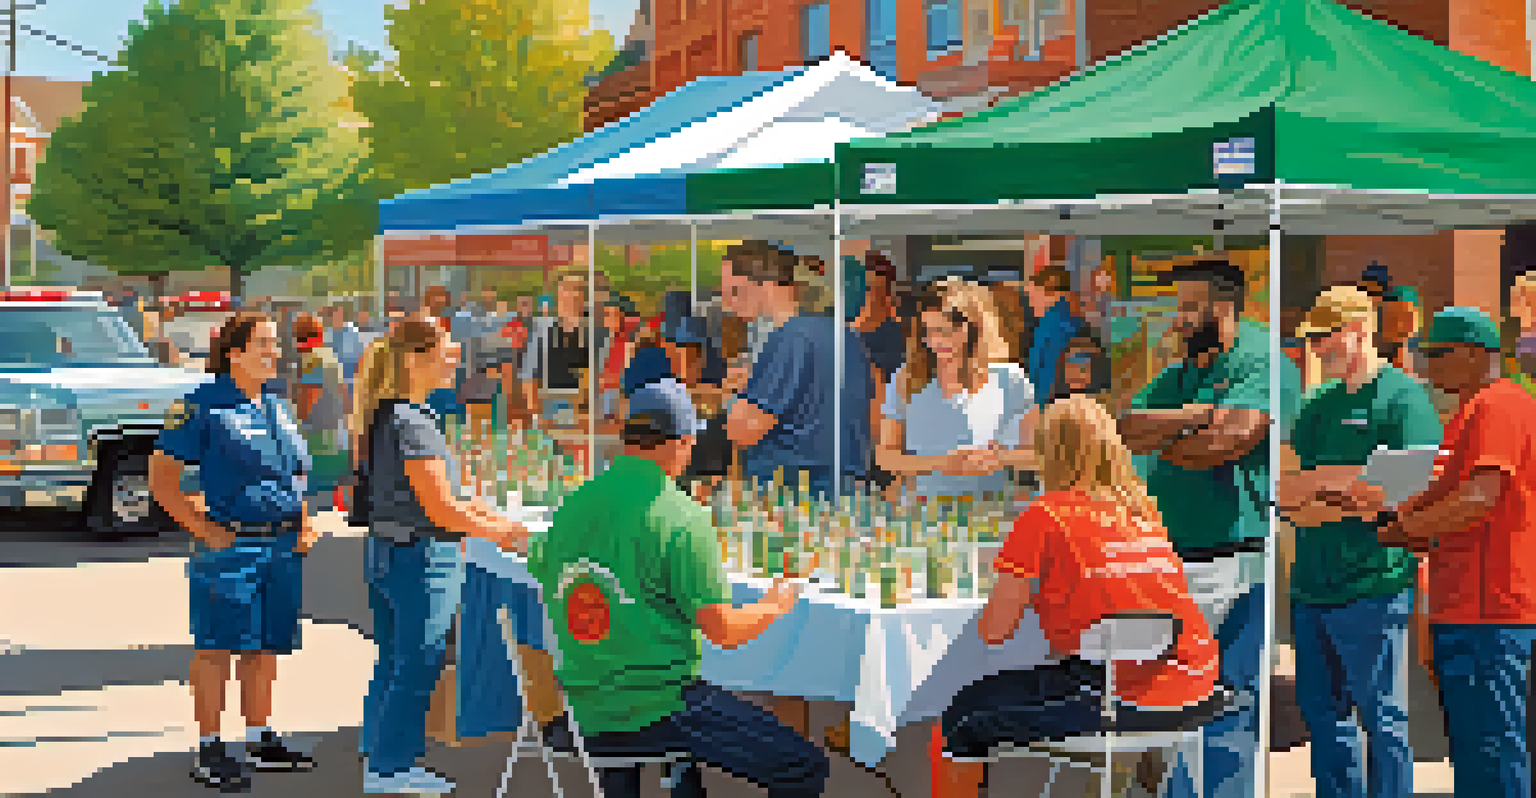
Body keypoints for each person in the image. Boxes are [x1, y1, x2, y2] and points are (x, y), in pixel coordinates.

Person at [527, 377, 830, 798]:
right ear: (681, 442)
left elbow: (542, 562)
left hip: (584, 704)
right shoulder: (681, 517)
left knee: (667, 738)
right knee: (804, 765)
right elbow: (724, 631)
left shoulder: (572, 506)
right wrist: (774, 605)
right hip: (655, 707)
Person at [934, 394, 1225, 798]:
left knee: (961, 716)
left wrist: (1022, 585)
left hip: (1116, 698)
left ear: (1049, 455)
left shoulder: (1046, 514)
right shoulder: (1144, 513)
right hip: (1197, 689)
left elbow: (994, 632)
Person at [1117, 258, 1301, 798]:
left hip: (1236, 557)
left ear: (1223, 308)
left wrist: (1172, 438)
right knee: (1180, 692)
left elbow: (1229, 441)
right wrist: (1196, 415)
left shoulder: (1262, 358)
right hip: (1178, 555)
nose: (1178, 319)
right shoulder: (1185, 371)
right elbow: (1127, 427)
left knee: (1229, 696)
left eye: (1189, 308)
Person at [349, 318, 530, 794]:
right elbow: (441, 509)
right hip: (421, 556)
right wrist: (502, 532)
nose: (455, 359)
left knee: (395, 661)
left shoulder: (392, 414)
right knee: (417, 665)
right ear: (415, 360)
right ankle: (390, 769)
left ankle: (379, 752)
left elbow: (444, 498)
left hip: (392, 550)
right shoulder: (411, 421)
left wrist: (488, 517)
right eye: (447, 351)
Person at [1278, 286, 1441, 798]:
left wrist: (1325, 489)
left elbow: (1406, 493)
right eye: (1312, 339)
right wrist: (1350, 485)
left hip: (1374, 584)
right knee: (1324, 719)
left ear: (1358, 331)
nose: (1316, 348)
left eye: (1324, 337)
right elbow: (1288, 493)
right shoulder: (1316, 403)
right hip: (1311, 587)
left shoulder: (1404, 398)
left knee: (1382, 718)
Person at [149, 313, 320, 792]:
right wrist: (202, 527)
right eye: (264, 343)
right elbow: (162, 478)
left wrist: (305, 521)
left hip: (282, 545)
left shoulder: (275, 405)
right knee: (217, 646)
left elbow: (295, 474)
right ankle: (210, 747)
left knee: (266, 645)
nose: (274, 352)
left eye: (275, 343)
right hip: (232, 547)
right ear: (234, 352)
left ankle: (260, 737)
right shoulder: (200, 406)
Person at [1378, 306, 1536, 798]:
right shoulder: (1473, 409)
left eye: (1437, 355)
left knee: (1492, 749)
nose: (1427, 367)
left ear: (1472, 353)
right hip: (1469, 609)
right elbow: (1448, 497)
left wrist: (1405, 525)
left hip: (1490, 611)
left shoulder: (1500, 404)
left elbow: (1477, 499)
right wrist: (1394, 519)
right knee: (1475, 750)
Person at [719, 240, 874, 500]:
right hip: (842, 482)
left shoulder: (788, 338)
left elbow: (742, 431)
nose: (728, 303)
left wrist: (733, 396)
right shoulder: (844, 335)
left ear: (765, 285)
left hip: (793, 489)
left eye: (735, 291)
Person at [876, 278, 1037, 502]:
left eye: (945, 331)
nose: (935, 341)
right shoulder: (906, 379)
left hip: (990, 510)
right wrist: (941, 463)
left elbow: (1036, 454)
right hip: (922, 511)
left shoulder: (1010, 380)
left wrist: (1000, 458)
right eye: (927, 332)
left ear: (972, 328)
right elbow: (885, 456)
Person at [293, 314, 350, 511]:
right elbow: (344, 392)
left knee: (314, 492)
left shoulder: (312, 358)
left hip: (317, 431)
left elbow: (310, 392)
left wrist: (296, 421)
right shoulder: (329, 355)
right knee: (331, 485)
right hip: (335, 428)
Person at [1026, 263, 1085, 407]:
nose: (1031, 304)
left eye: (1033, 297)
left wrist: (1040, 409)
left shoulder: (1051, 326)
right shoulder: (1070, 319)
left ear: (1053, 294)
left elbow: (1048, 376)